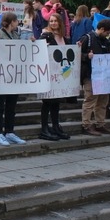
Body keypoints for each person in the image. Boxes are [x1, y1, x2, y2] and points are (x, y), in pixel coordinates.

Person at [0, 12, 27, 146]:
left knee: (12, 105)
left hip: (13, 75)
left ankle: (10, 131)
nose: (18, 23)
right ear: (11, 22)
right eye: (16, 21)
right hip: (0, 75)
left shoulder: (17, 35)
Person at [79, 18, 110, 136]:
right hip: (90, 75)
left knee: (103, 101)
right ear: (101, 29)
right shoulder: (87, 38)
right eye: (107, 32)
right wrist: (86, 56)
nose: (108, 35)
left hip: (104, 75)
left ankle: (100, 123)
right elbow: (76, 54)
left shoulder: (106, 41)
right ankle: (86, 124)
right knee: (90, 100)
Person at [38, 13, 70, 141]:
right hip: (49, 74)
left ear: (59, 22)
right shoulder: (46, 35)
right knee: (47, 102)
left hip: (60, 75)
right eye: (51, 21)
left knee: (56, 103)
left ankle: (56, 126)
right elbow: (39, 48)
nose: (53, 23)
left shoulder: (64, 38)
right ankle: (44, 128)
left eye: (55, 21)